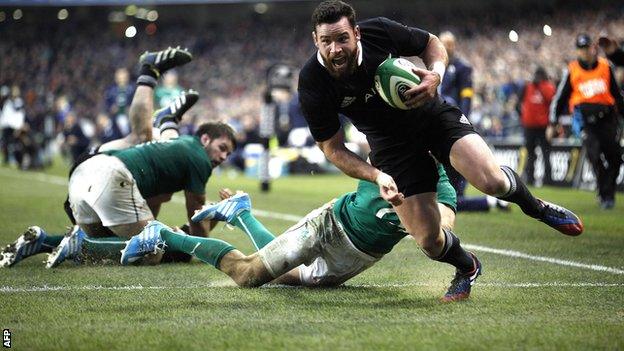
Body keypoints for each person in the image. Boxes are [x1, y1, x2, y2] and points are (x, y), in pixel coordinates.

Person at [296, 0, 582, 278]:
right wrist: (375, 176)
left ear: (356, 33)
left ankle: (537, 208)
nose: (336, 49)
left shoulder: (379, 32)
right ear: (315, 40)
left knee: (491, 181)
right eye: (326, 41)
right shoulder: (312, 81)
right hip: (391, 149)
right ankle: (467, 266)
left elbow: (432, 43)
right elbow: (332, 149)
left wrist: (436, 75)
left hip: (431, 117)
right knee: (429, 242)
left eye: (343, 38)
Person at [0, 47, 235, 268]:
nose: (223, 156)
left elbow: (152, 206)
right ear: (205, 139)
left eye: (228, 153)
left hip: (85, 172)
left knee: (110, 244)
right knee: (151, 250)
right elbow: (196, 218)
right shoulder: (197, 158)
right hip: (111, 175)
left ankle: (43, 241)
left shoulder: (175, 151)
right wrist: (209, 240)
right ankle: (161, 106)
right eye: (222, 147)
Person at [121, 164, 481, 302]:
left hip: (357, 257)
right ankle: (164, 234)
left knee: (288, 277)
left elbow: (441, 231)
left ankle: (242, 212)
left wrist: (418, 215)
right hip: (327, 225)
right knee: (248, 275)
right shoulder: (386, 156)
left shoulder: (439, 187)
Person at [549, 34, 624, 209]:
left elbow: (616, 95)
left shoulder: (606, 67)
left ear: (593, 47)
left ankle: (607, 192)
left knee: (615, 158)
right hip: (584, 121)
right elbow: (560, 98)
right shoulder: (572, 69)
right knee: (594, 156)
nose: (585, 52)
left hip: (607, 119)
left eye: (587, 47)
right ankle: (605, 195)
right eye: (581, 48)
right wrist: (553, 122)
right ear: (577, 51)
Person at [439, 31, 508, 212]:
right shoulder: (436, 66)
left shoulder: (462, 68)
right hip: (437, 124)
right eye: (443, 43)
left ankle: (486, 200)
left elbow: (466, 98)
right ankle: (489, 201)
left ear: (454, 45)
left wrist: (461, 120)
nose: (447, 47)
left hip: (453, 124)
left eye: (450, 43)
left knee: (455, 175)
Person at [519, 67, 555, 186]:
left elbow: (553, 105)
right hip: (530, 126)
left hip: (543, 127)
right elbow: (518, 103)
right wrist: (523, 116)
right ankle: (530, 179)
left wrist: (552, 124)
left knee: (544, 153)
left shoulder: (548, 87)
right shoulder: (527, 87)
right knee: (532, 153)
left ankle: (547, 180)